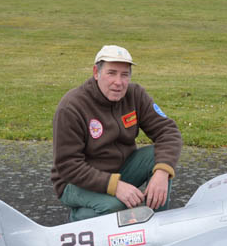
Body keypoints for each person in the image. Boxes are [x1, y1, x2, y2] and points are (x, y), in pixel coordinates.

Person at [51, 45, 182, 221]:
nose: (118, 82)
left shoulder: (135, 95)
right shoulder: (72, 107)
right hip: (74, 182)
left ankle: (156, 226)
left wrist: (162, 173)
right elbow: (68, 165)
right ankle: (79, 217)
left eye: (124, 74)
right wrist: (116, 187)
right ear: (96, 72)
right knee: (118, 208)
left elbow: (168, 132)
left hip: (120, 171)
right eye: (111, 73)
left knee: (158, 160)